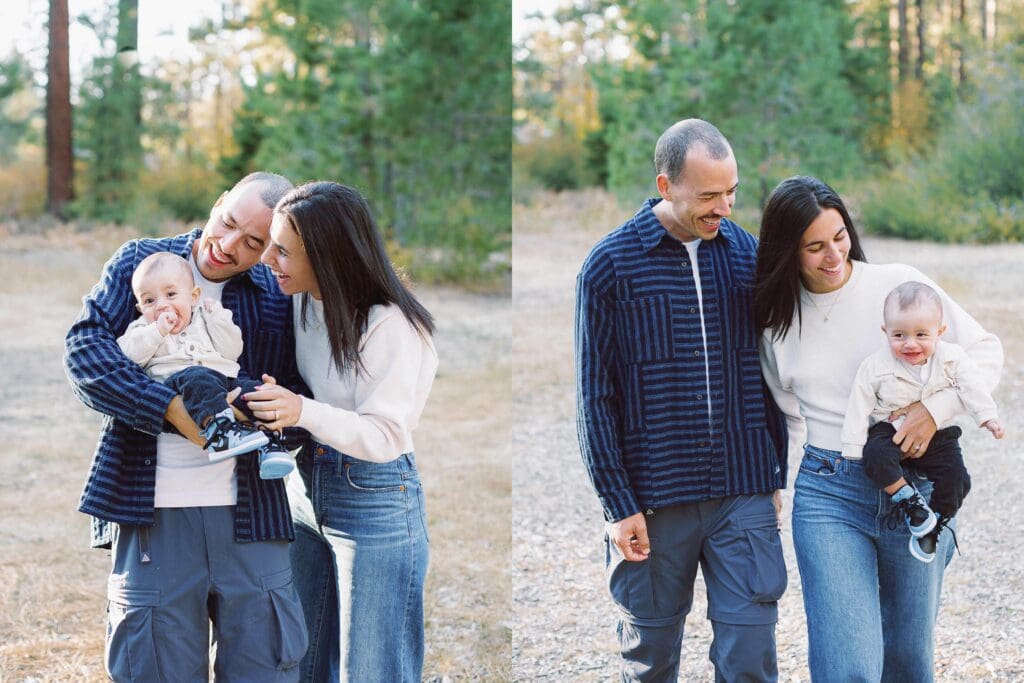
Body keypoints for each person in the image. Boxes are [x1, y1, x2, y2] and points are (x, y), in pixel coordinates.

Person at [755, 175, 1003, 681]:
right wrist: (775, 487)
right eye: (815, 246)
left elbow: (984, 352)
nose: (834, 256)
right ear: (788, 250)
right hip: (830, 493)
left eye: (840, 236)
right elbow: (788, 417)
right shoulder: (776, 321)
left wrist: (935, 411)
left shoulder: (897, 285)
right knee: (849, 665)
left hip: (916, 485)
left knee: (909, 661)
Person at [64, 172, 309, 681]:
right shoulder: (141, 263)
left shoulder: (274, 294)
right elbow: (86, 355)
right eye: (228, 223)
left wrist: (261, 409)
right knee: (154, 668)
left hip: (253, 513)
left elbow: (298, 395)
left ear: (270, 250)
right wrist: (172, 411)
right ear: (219, 203)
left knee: (266, 667)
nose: (227, 246)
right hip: (153, 510)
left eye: (253, 243)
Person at [574, 118, 790, 682]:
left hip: (742, 491)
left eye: (732, 191)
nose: (725, 206)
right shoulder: (609, 267)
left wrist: (773, 476)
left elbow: (766, 375)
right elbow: (595, 397)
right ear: (666, 186)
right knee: (649, 662)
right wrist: (617, 502)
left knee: (750, 657)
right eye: (709, 195)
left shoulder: (750, 257)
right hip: (652, 500)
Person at [243, 181, 438, 682]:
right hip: (304, 488)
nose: (268, 259)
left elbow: (385, 436)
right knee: (301, 660)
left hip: (374, 498)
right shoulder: (302, 298)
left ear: (328, 256)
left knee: (371, 669)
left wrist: (301, 411)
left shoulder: (392, 325)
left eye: (283, 250)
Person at [841, 280, 1004, 562]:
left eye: (921, 334)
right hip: (890, 428)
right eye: (899, 335)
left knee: (958, 480)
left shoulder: (952, 357)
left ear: (940, 332)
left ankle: (934, 522)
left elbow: (972, 386)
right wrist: (852, 449)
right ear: (886, 332)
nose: (910, 343)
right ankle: (910, 501)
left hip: (938, 434)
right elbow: (859, 404)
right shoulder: (875, 367)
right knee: (874, 456)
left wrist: (987, 416)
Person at [117, 251, 295, 477]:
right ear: (140, 308)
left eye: (171, 294)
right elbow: (128, 355)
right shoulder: (142, 329)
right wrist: (157, 331)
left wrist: (218, 320)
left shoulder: (205, 317)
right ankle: (221, 432)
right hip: (179, 385)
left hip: (224, 382)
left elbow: (232, 351)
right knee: (197, 377)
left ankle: (270, 445)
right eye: (150, 301)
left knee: (256, 392)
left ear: (193, 296)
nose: (162, 306)